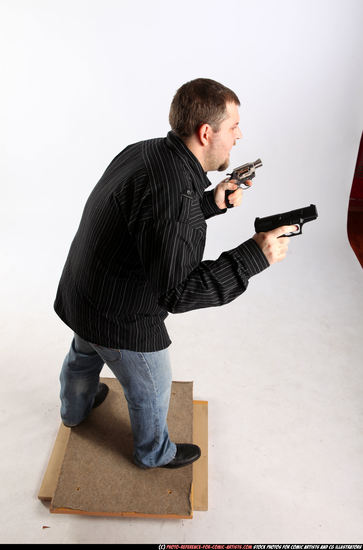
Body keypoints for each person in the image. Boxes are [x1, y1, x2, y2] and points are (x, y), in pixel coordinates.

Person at [54, 78, 296, 470]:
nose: (239, 136)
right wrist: (256, 255)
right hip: (122, 318)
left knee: (83, 355)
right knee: (151, 390)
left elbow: (151, 224)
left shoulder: (144, 152)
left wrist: (209, 203)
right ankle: (154, 453)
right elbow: (179, 292)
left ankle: (73, 411)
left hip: (84, 293)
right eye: (233, 127)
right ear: (206, 133)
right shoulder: (175, 199)